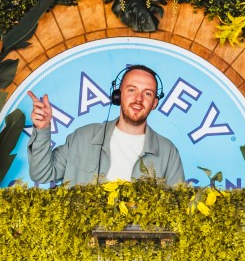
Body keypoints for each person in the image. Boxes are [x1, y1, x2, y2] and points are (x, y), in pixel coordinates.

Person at [27, 64, 185, 186]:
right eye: (132, 90)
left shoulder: (168, 152)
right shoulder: (82, 137)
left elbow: (179, 208)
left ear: (155, 103)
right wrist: (42, 129)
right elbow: (41, 174)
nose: (139, 99)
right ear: (118, 94)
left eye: (147, 93)